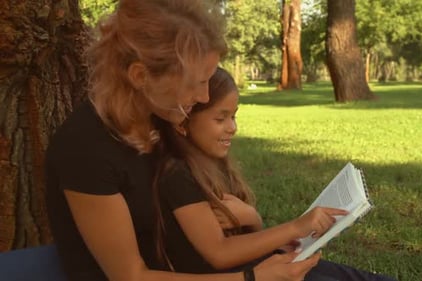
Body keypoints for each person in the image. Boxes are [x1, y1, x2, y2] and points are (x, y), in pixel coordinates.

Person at [45, 1, 321, 281]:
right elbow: (130, 276)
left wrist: (266, 238)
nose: (203, 97)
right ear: (140, 76)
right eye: (196, 83)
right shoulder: (85, 149)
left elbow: (209, 239)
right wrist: (252, 278)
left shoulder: (161, 119)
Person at [154, 67, 397, 281]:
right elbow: (219, 253)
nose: (233, 127)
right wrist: (295, 227)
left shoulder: (213, 163)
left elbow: (237, 237)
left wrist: (252, 218)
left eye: (234, 116)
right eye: (221, 118)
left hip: (257, 263)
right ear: (182, 120)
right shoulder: (177, 173)